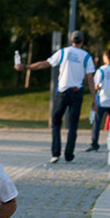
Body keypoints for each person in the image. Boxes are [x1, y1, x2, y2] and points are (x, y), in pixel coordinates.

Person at [15, 30, 96, 163]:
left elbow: (45, 64)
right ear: (82, 41)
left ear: (71, 40)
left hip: (62, 92)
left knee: (56, 122)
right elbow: (90, 80)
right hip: (77, 92)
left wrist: (26, 67)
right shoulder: (87, 57)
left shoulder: (63, 52)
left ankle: (56, 153)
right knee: (73, 125)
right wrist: (94, 99)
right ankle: (69, 155)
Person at [86, 49, 110, 152]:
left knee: (97, 123)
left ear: (106, 57)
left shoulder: (101, 70)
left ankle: (94, 144)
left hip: (102, 101)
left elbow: (96, 86)